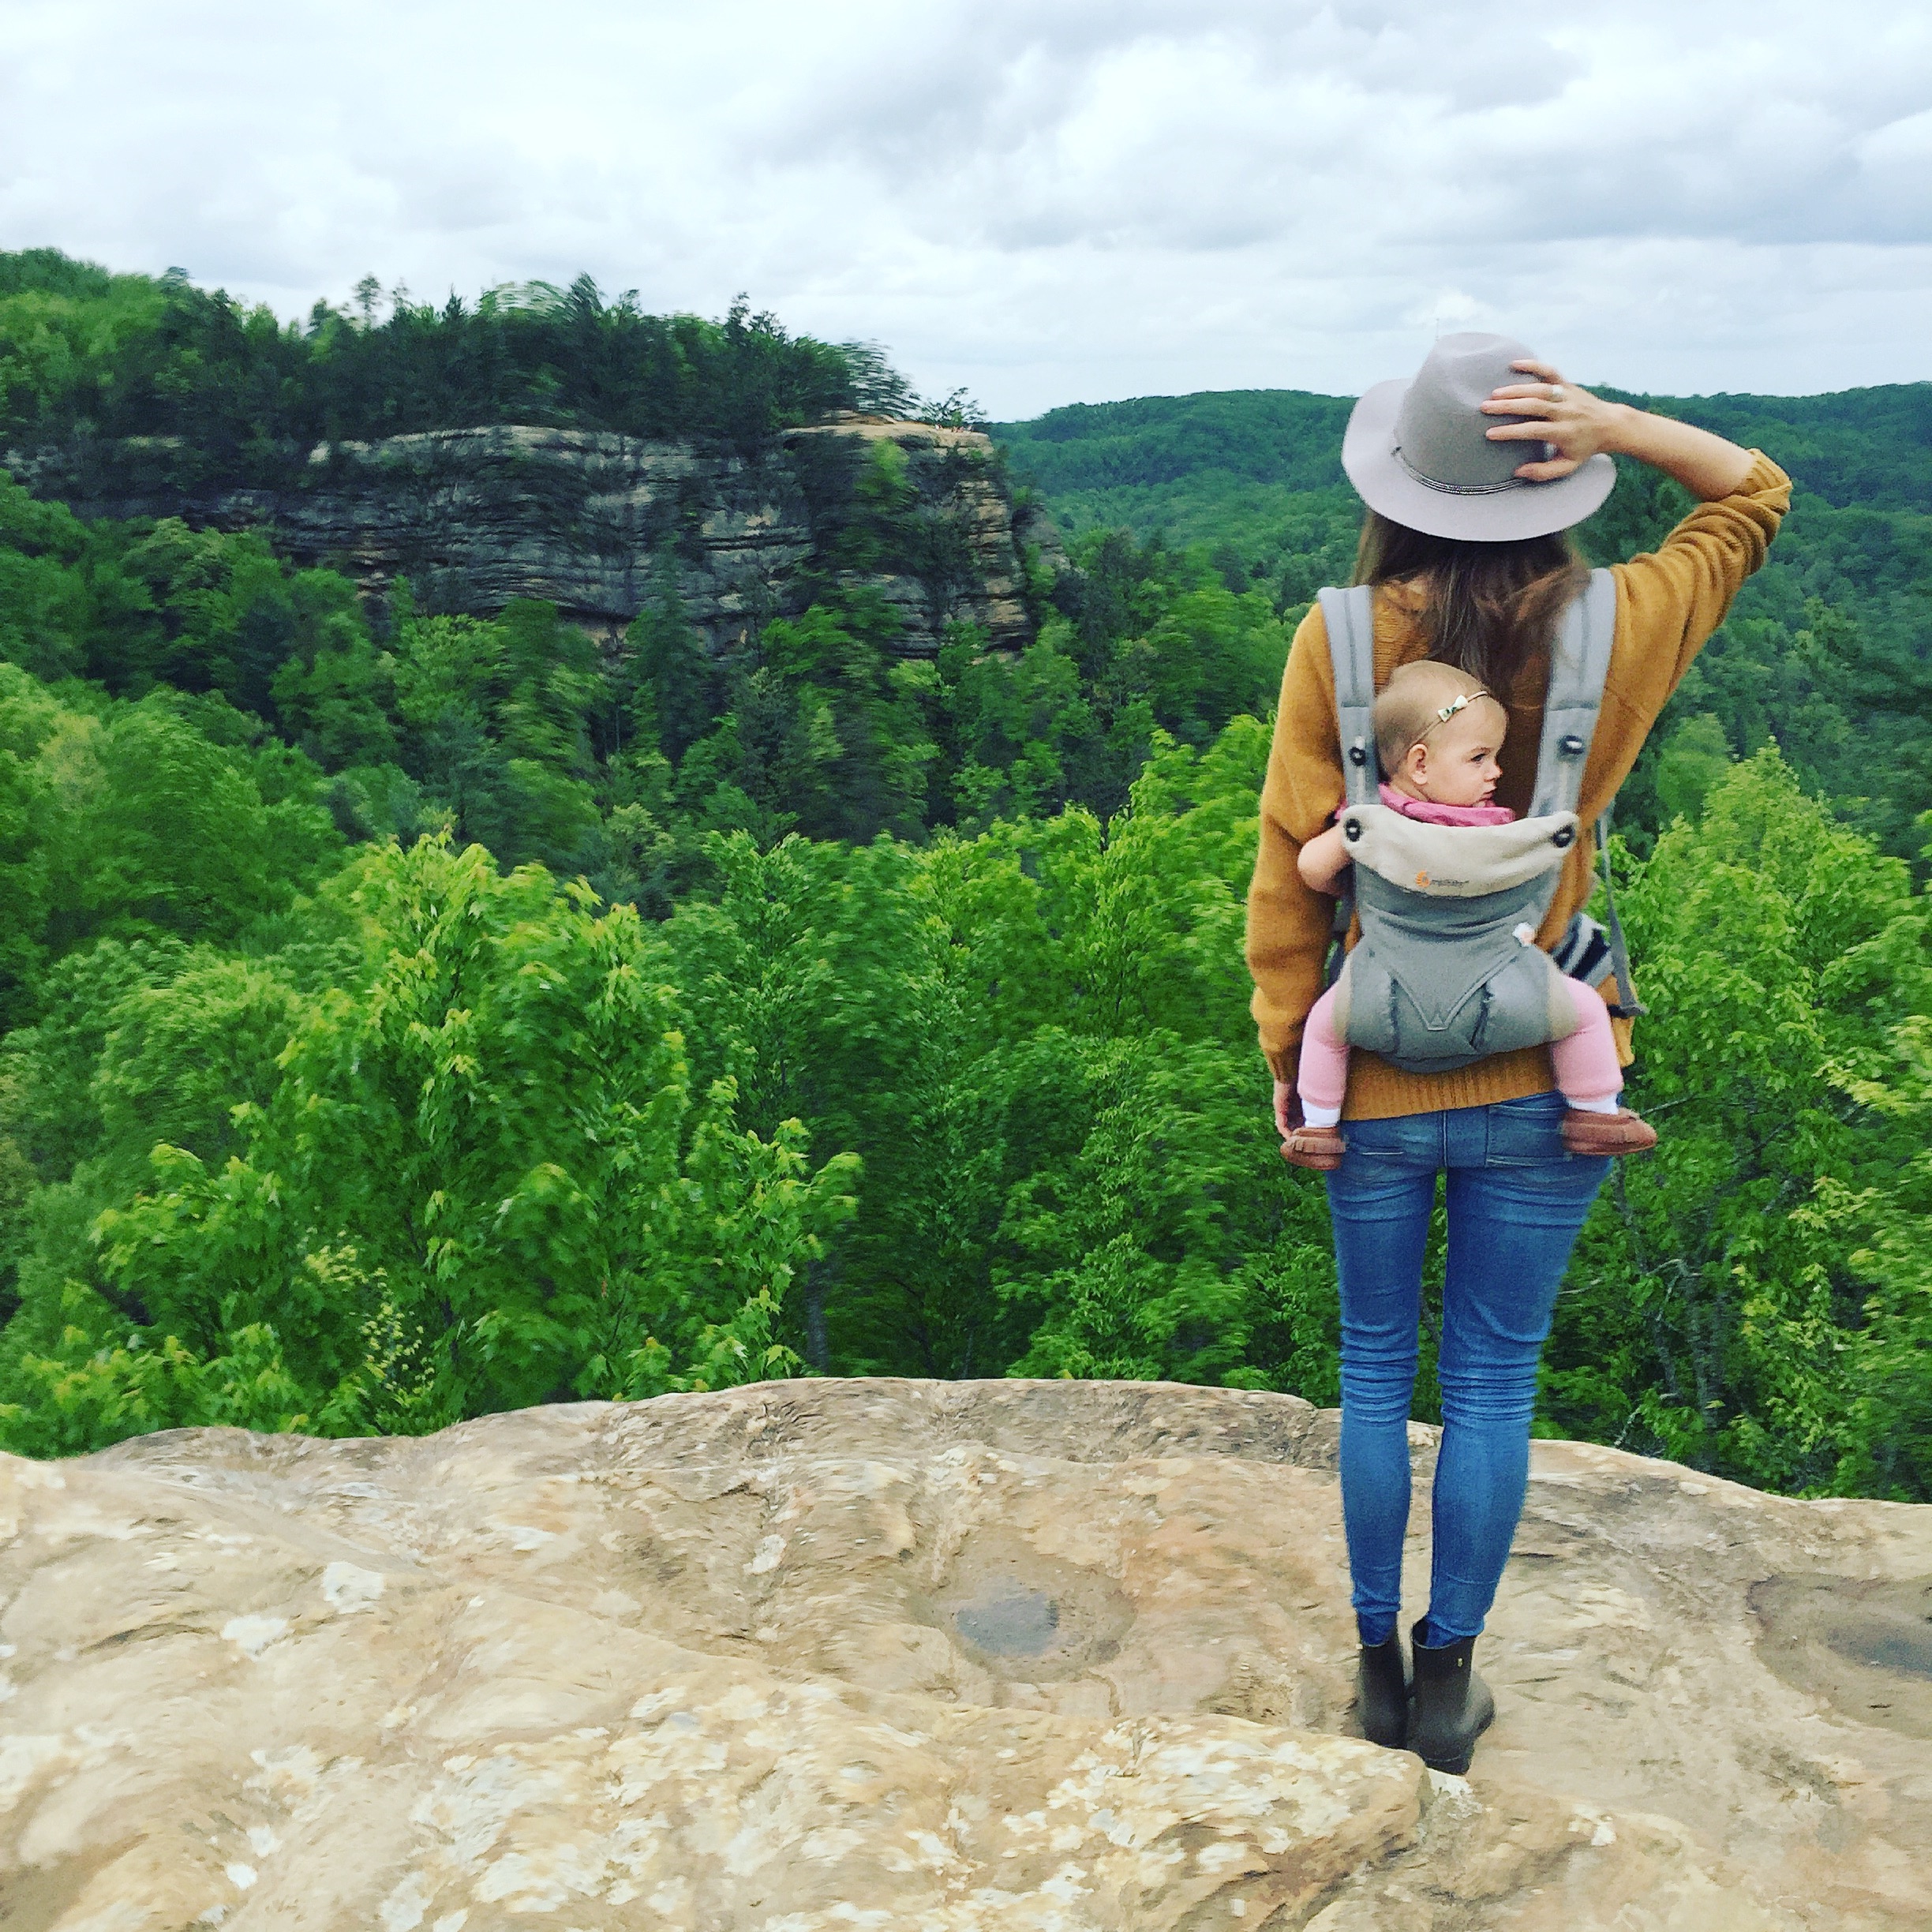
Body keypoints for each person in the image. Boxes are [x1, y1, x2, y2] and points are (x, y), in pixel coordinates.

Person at [1244, 331, 1788, 1775]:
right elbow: (1751, 494)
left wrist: (1292, 1082)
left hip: (1362, 1068)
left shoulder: (1341, 636)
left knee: (1373, 1372)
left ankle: (1368, 1665)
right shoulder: (1619, 619)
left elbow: (1280, 888)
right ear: (1551, 480)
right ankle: (1447, 1684)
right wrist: (1612, 418)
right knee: (1490, 1381)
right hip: (1545, 1071)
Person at [1286, 658, 1657, 1168]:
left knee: (1326, 1025)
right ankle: (1594, 1114)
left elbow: (1310, 870)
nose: (1496, 773)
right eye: (1479, 758)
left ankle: (1319, 1128)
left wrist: (1353, 866)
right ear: (1419, 763)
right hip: (1501, 990)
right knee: (1586, 1011)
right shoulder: (1497, 831)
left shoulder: (1370, 820)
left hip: (1384, 993)